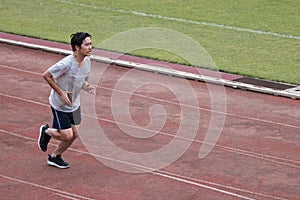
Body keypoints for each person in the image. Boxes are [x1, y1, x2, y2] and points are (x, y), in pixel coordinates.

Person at [38, 32, 95, 169]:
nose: (90, 47)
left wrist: (86, 87)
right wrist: (61, 93)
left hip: (74, 104)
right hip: (60, 105)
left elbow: (80, 80)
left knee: (75, 133)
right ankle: (45, 131)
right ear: (77, 47)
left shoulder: (87, 61)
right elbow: (47, 75)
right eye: (86, 44)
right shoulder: (66, 63)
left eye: (90, 44)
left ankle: (55, 157)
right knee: (67, 135)